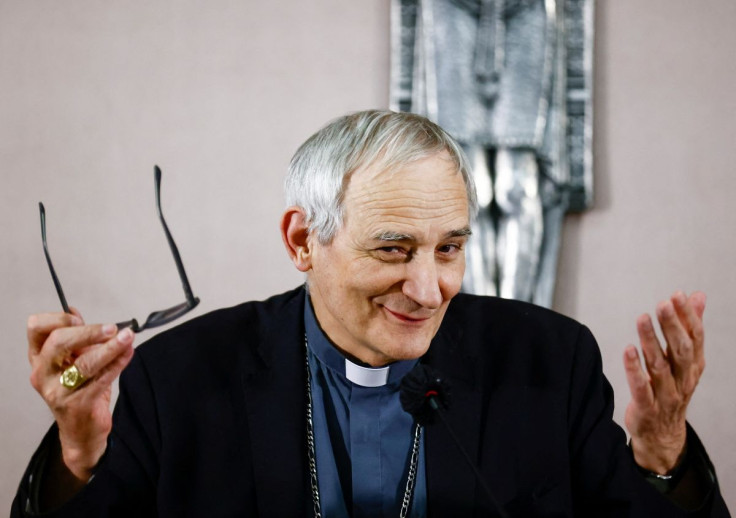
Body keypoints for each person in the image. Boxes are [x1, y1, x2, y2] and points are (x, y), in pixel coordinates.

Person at [13, 111, 729, 516]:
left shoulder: (548, 360)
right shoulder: (178, 377)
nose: (427, 288)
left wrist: (662, 455)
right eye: (393, 250)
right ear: (302, 240)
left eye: (450, 248)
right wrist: (79, 456)